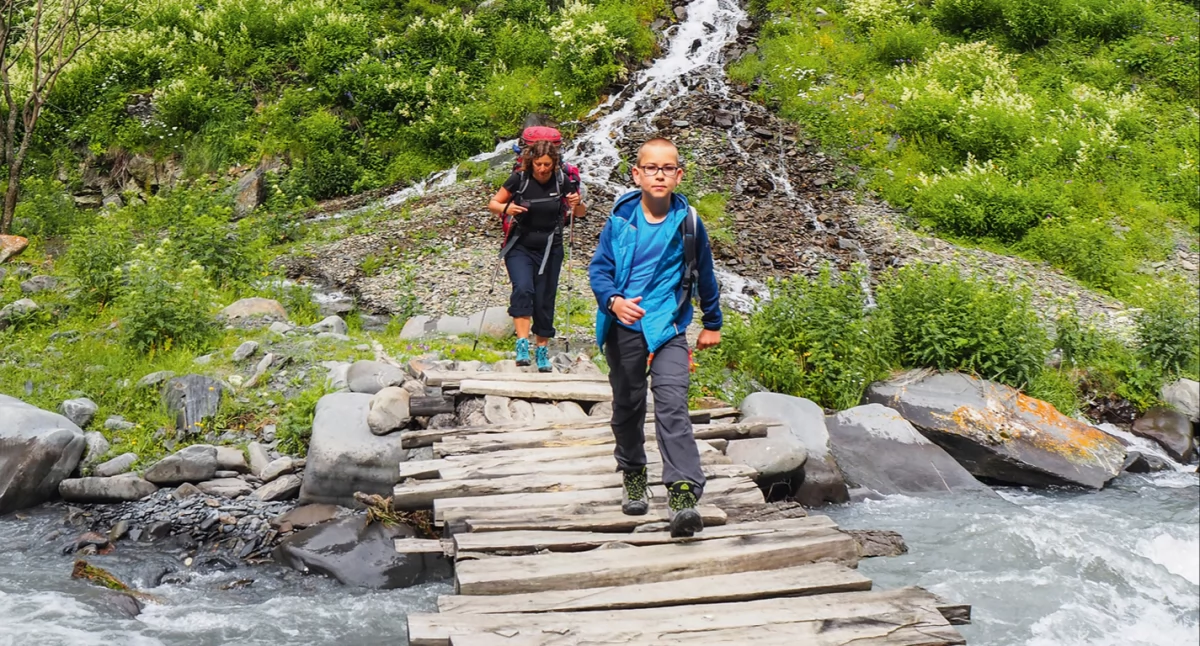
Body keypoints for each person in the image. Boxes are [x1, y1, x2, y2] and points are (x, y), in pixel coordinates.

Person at [588, 137, 723, 538]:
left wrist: (712, 323)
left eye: (667, 168)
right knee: (628, 405)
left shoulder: (691, 225)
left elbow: (706, 276)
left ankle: (683, 494)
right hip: (624, 327)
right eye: (651, 167)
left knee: (673, 405)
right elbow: (600, 271)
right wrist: (613, 301)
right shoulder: (619, 222)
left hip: (668, 329)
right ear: (637, 174)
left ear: (679, 175)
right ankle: (633, 471)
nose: (659, 174)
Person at [487, 138, 585, 371]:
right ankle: (522, 344)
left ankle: (542, 350)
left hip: (551, 247)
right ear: (531, 162)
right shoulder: (519, 179)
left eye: (547, 165)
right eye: (538, 164)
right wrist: (506, 208)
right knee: (523, 288)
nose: (542, 169)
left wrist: (577, 202)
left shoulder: (563, 181)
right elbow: (493, 203)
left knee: (545, 298)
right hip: (519, 244)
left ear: (554, 164)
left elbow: (579, 213)